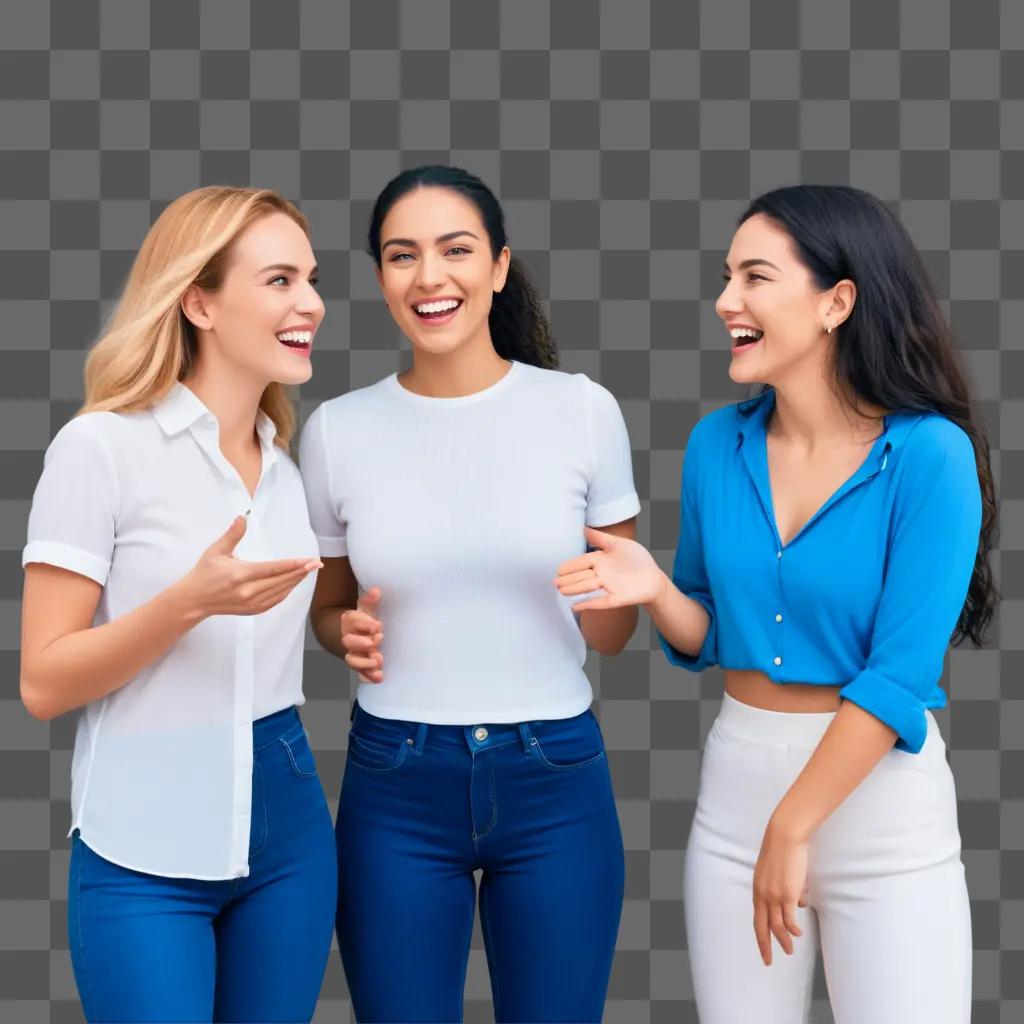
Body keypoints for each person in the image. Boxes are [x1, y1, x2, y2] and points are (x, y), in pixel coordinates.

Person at [555, 184, 998, 1024]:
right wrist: (653, 588)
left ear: (837, 301)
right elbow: (715, 629)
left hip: (881, 813)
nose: (727, 301)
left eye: (755, 277)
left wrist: (792, 825)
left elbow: (900, 676)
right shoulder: (715, 444)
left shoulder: (929, 456)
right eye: (727, 277)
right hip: (736, 795)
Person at [298, 165, 639, 1023]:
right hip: (396, 780)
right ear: (380, 278)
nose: (429, 277)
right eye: (401, 255)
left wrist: (603, 593)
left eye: (455, 250)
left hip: (555, 775)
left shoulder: (582, 411)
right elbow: (328, 611)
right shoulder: (337, 430)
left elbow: (614, 635)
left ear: (498, 266)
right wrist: (346, 635)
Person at [19, 186, 336, 1023]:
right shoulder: (102, 449)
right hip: (141, 851)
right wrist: (186, 604)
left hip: (290, 832)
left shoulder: (287, 471)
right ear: (199, 300)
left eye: (310, 278)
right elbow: (43, 684)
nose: (311, 302)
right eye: (278, 280)